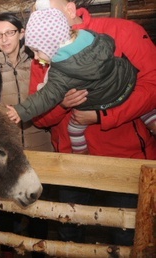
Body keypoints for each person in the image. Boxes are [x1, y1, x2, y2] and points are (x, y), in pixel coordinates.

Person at [28, 0, 156, 246]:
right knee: (70, 237)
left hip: (124, 162)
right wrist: (61, 103)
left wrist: (103, 115)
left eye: (47, 14)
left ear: (69, 9)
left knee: (126, 237)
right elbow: (40, 117)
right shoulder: (42, 56)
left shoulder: (123, 31)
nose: (41, 22)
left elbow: (152, 85)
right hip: (71, 164)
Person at [5, 8, 156, 155]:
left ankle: (80, 153)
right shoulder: (93, 37)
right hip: (126, 83)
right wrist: (62, 104)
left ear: (70, 9)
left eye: (37, 51)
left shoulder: (58, 71)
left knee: (75, 129)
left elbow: (45, 96)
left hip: (127, 151)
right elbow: (40, 121)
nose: (36, 58)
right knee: (145, 109)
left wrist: (21, 110)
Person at [0, 13, 53, 258]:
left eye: (9, 32)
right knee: (6, 206)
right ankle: (7, 251)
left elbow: (52, 97)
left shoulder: (39, 62)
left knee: (39, 207)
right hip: (7, 151)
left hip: (40, 144)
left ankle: (38, 251)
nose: (3, 39)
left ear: (21, 33)